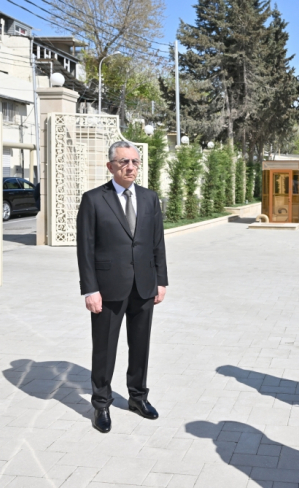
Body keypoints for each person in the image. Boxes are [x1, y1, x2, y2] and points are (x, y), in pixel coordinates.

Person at [76, 141, 168, 434]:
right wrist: (90, 289)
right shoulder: (93, 200)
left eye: (135, 162)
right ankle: (101, 403)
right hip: (107, 288)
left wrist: (161, 280)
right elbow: (85, 249)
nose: (130, 167)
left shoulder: (150, 198)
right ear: (110, 166)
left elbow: (157, 243)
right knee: (104, 349)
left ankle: (138, 397)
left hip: (143, 285)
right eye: (123, 162)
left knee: (140, 347)